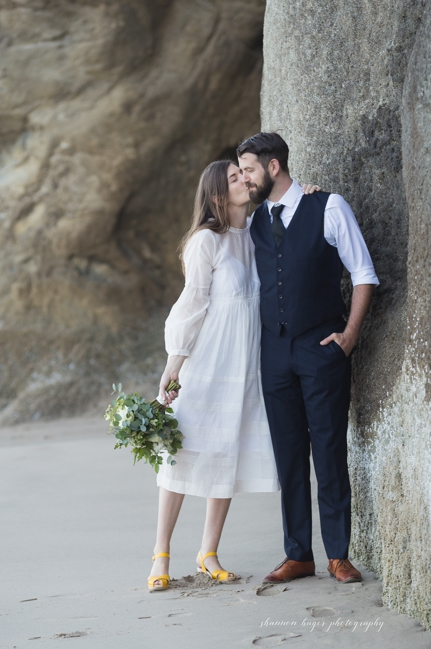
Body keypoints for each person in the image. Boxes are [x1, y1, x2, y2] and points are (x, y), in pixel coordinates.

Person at [238, 132, 377, 585]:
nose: (245, 178)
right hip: (274, 354)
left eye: (250, 170)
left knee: (329, 449)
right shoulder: (255, 220)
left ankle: (337, 553)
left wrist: (350, 335)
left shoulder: (328, 207)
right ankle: (298, 554)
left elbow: (363, 274)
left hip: (322, 349)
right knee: (289, 455)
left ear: (274, 167)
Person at [148, 160, 283, 591]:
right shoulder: (206, 241)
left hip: (245, 365)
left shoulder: (259, 231)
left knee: (226, 448)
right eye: (233, 178)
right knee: (183, 454)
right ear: (216, 196)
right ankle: (160, 554)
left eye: (244, 174)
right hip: (207, 363)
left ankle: (208, 552)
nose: (244, 179)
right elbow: (192, 305)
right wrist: (174, 366)